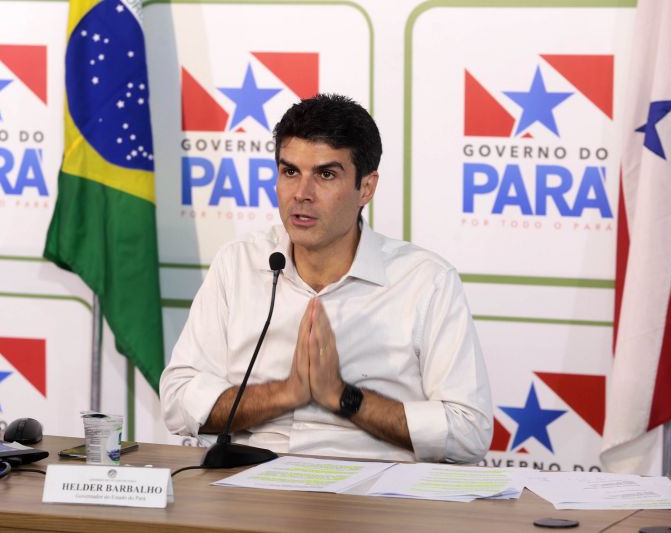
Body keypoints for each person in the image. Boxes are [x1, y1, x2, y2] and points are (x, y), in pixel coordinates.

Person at [160, 94, 492, 462]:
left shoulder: (425, 280)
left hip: (373, 491)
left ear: (365, 188)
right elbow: (177, 401)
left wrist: (343, 397)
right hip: (250, 481)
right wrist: (286, 393)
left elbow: (469, 434)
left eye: (326, 174)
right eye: (290, 172)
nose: (302, 194)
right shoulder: (238, 264)